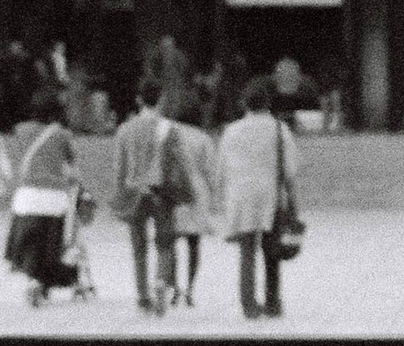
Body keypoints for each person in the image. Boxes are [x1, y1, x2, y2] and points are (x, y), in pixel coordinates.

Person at [217, 77, 298, 319]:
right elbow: (290, 170)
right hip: (270, 195)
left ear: (245, 104)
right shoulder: (279, 129)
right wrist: (293, 200)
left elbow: (221, 169)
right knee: (272, 252)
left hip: (241, 197)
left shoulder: (231, 131)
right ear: (268, 104)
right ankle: (273, 303)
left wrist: (222, 198)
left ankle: (249, 305)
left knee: (247, 253)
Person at [111, 77, 189, 315]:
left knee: (139, 248)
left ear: (138, 100)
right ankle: (161, 282)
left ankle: (143, 296)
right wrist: (185, 191)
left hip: (135, 192)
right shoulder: (170, 129)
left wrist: (118, 196)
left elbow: (119, 167)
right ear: (161, 99)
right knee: (164, 244)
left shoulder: (125, 129)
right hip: (161, 192)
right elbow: (179, 163)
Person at [3, 87, 88, 304]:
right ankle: (45, 283)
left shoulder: (20, 130)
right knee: (52, 245)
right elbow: (73, 166)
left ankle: (33, 282)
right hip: (54, 198)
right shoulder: (62, 134)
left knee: (30, 242)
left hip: (27, 196)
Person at [169, 112, 223, 307]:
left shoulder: (170, 134)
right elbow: (211, 171)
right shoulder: (203, 138)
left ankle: (174, 289)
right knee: (194, 244)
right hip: (197, 191)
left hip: (175, 190)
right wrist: (216, 199)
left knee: (171, 244)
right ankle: (190, 290)